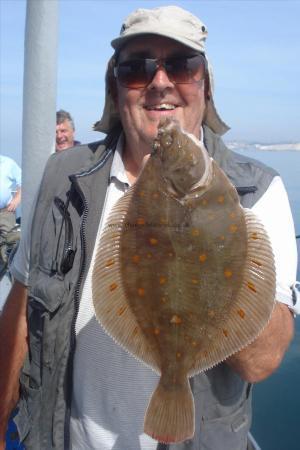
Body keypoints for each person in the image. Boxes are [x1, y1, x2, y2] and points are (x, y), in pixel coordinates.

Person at [0, 5, 298, 450]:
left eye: (181, 65)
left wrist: (218, 247)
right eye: (137, 69)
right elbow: (22, 310)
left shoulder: (258, 190)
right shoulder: (61, 177)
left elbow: (262, 362)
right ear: (115, 88)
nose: (161, 82)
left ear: (205, 84)